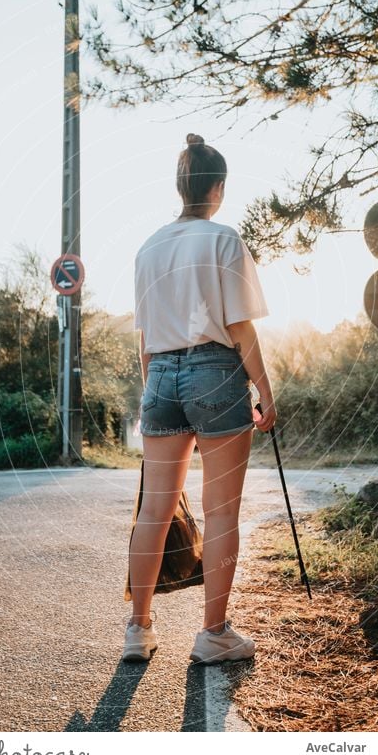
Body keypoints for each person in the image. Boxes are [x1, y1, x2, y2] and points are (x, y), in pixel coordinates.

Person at [123, 133, 277, 664]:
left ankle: (138, 629)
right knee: (220, 511)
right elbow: (239, 325)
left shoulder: (148, 247)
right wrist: (264, 387)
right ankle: (213, 634)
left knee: (155, 511)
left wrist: (154, 390)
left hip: (160, 374)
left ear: (180, 185)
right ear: (218, 188)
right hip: (216, 371)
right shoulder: (224, 240)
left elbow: (145, 337)